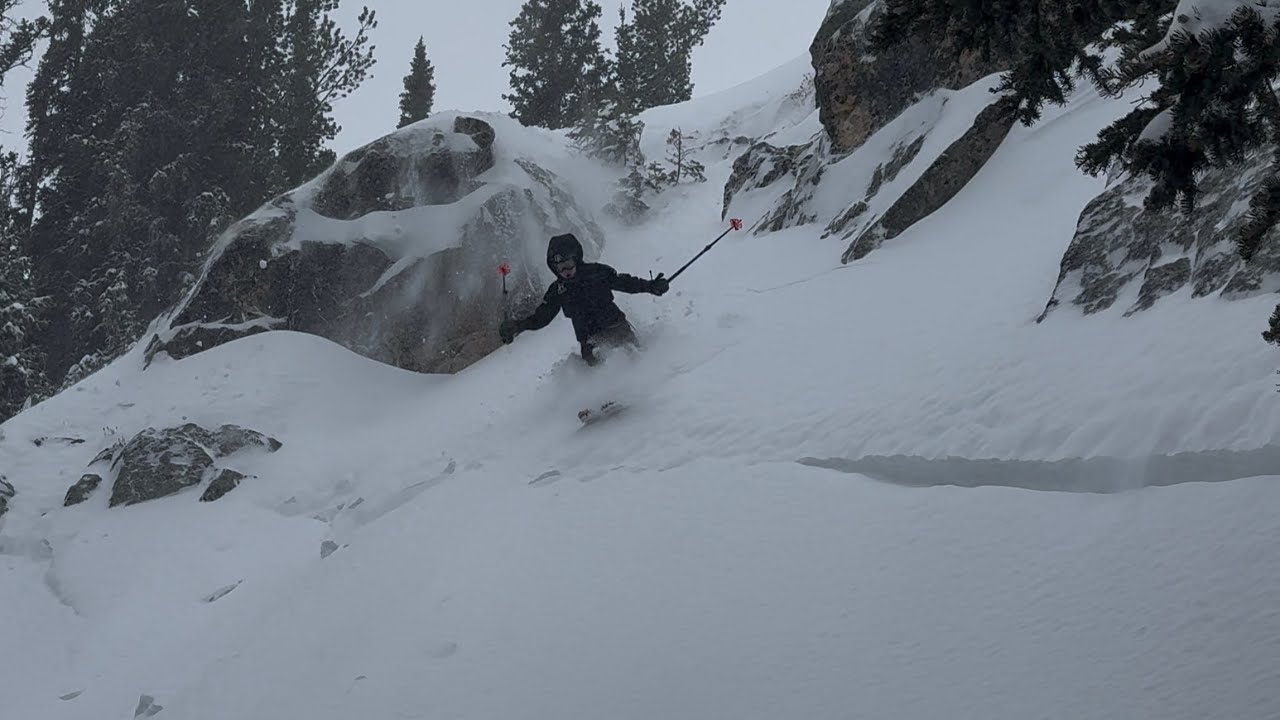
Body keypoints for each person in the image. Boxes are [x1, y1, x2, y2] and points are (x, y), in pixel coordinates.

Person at [499, 233, 669, 365]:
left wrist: (651, 286)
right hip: (590, 342)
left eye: (568, 265)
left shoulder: (596, 272)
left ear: (577, 259)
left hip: (616, 329)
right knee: (601, 372)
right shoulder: (558, 290)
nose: (565, 271)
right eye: (560, 267)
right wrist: (517, 326)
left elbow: (625, 283)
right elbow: (542, 317)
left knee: (634, 359)